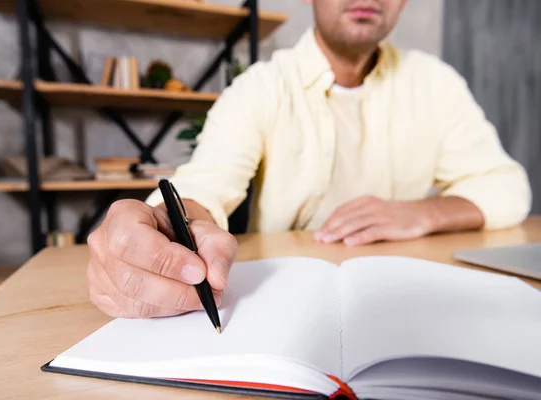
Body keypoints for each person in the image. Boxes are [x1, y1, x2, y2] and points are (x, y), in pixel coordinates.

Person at [86, 0, 531, 319]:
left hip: (411, 302)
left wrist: (422, 213)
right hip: (285, 305)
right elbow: (206, 185)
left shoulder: (437, 84)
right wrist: (164, 227)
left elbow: (507, 187)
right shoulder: (261, 87)